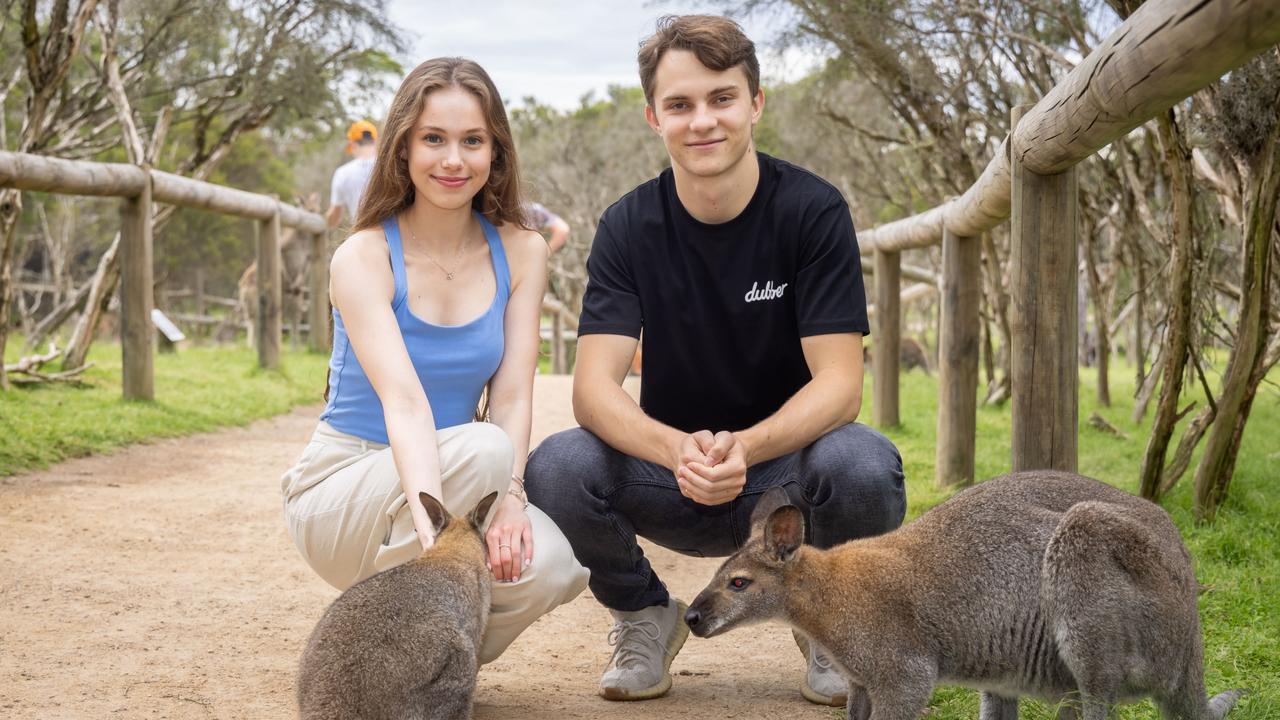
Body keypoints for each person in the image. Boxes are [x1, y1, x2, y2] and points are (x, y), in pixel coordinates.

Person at [523, 15, 906, 705]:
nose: (703, 121)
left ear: (755, 103)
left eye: (722, 98)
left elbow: (842, 385)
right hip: (674, 476)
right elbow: (593, 391)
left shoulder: (813, 211)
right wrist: (676, 450)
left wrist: (747, 446)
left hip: (788, 481)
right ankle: (645, 614)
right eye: (680, 104)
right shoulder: (626, 226)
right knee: (557, 465)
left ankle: (830, 626)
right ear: (652, 117)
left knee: (863, 463)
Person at [280, 57, 588, 666]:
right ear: (401, 150)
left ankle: (418, 663)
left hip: (457, 474)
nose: (454, 160)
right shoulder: (363, 256)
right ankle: (370, 653)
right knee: (485, 449)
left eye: (472, 140)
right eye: (434, 139)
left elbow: (513, 397)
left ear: (495, 152)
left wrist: (513, 501)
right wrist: (436, 540)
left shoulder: (522, 251)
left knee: (553, 565)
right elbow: (406, 402)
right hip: (345, 485)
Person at [327, 120, 378, 230]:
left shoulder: (342, 173)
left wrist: (323, 219)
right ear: (375, 142)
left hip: (362, 236)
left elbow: (334, 219)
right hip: (397, 238)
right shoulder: (391, 165)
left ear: (353, 145)